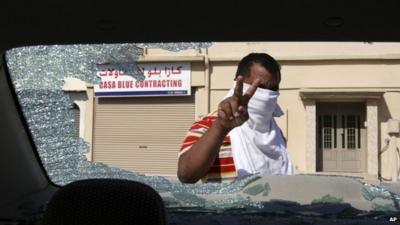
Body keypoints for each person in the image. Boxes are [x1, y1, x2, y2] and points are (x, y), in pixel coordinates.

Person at [177, 53, 293, 183]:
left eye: (273, 89)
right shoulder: (209, 125)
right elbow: (185, 175)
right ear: (239, 82)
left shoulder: (276, 134)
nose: (267, 95)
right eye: (259, 87)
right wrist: (221, 127)